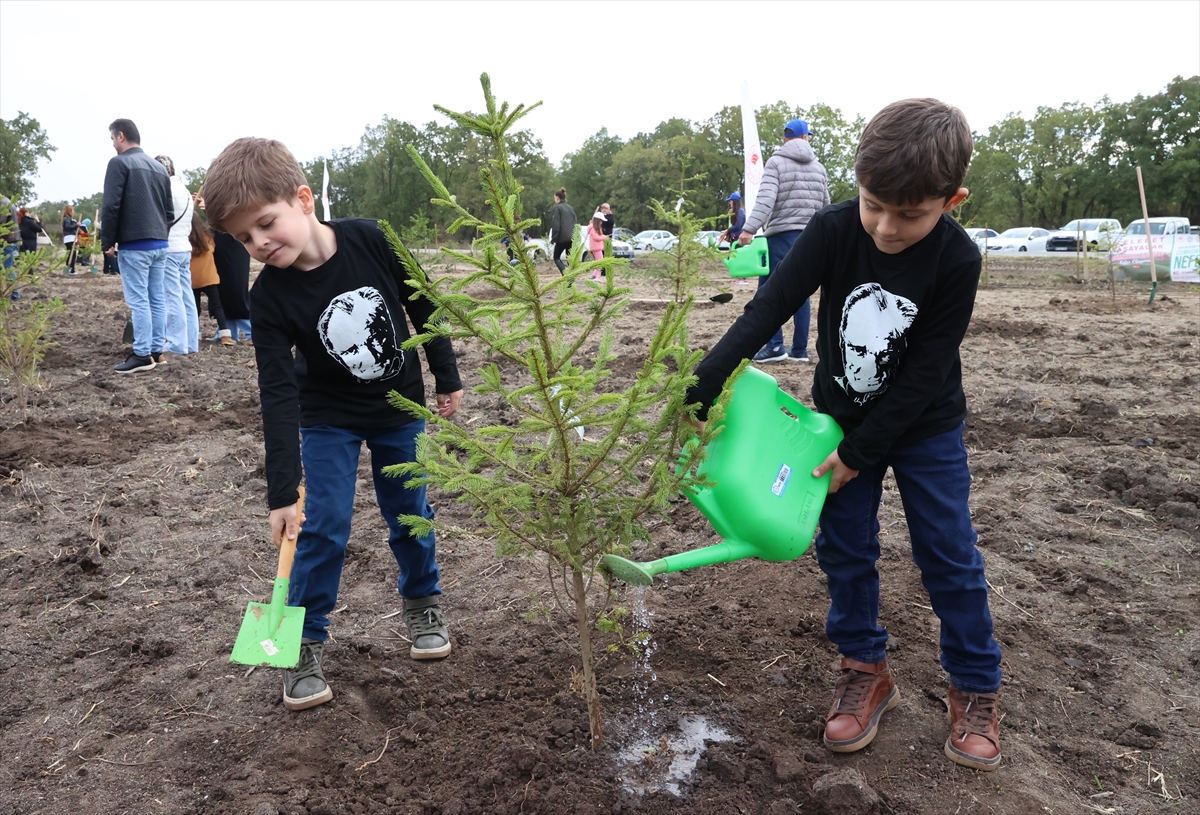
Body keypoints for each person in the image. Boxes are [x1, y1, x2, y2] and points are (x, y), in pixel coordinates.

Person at [687, 98, 1003, 771]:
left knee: (948, 551)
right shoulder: (832, 230)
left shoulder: (958, 260)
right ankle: (865, 667)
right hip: (833, 422)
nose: (886, 227)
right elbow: (770, 305)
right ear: (856, 183)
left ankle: (975, 684)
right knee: (846, 549)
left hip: (925, 428)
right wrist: (704, 381)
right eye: (873, 204)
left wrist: (861, 453)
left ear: (952, 199)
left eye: (910, 214)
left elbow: (923, 376)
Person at [201, 136, 465, 711]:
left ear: (303, 199)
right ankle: (302, 643)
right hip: (327, 419)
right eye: (244, 238)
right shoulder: (268, 300)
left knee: (409, 511)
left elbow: (423, 304)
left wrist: (446, 377)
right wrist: (280, 491)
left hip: (401, 410)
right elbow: (276, 395)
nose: (259, 244)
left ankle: (423, 604)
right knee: (322, 527)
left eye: (266, 225)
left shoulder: (373, 238)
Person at [739, 118, 831, 364]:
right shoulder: (819, 168)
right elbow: (826, 207)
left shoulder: (776, 163)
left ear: (785, 138)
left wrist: (749, 229)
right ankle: (800, 351)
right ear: (805, 137)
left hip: (781, 238)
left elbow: (766, 200)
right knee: (802, 293)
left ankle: (775, 345)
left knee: (768, 292)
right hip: (810, 239)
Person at [102, 118, 174, 373]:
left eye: (112, 138)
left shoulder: (119, 163)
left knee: (140, 300)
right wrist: (160, 234)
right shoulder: (159, 168)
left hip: (135, 244)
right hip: (160, 244)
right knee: (157, 298)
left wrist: (107, 241)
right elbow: (169, 211)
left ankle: (142, 354)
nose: (112, 143)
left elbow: (111, 206)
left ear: (120, 136)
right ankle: (157, 350)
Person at [155, 155, 198, 356]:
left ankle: (175, 343)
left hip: (170, 248)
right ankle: (190, 342)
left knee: (172, 297)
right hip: (184, 247)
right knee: (186, 296)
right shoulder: (185, 191)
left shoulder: (165, 190)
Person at [187, 211, 235, 346]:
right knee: (217, 306)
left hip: (192, 280)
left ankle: (195, 336)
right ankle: (225, 335)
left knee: (194, 308)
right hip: (210, 277)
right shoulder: (208, 236)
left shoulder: (186, 239)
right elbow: (213, 250)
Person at [549, 187, 577, 274]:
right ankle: (570, 279)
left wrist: (554, 238)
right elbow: (575, 222)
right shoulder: (571, 208)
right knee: (570, 259)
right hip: (571, 237)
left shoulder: (558, 208)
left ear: (557, 198)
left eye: (554, 198)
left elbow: (556, 225)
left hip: (561, 238)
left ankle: (565, 273)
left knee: (556, 257)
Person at [585, 211, 606, 280]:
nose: (602, 222)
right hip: (596, 248)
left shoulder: (595, 228)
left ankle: (595, 276)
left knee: (599, 262)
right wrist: (604, 237)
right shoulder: (593, 229)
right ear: (598, 221)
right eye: (601, 221)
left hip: (597, 247)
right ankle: (594, 276)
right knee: (600, 262)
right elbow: (596, 238)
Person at [62, 205, 80, 274]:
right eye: (72, 210)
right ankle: (70, 269)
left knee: (73, 254)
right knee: (71, 254)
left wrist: (76, 224)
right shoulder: (66, 219)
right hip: (69, 238)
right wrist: (76, 225)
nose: (73, 212)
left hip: (72, 238)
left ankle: (71, 269)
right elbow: (68, 227)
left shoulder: (70, 219)